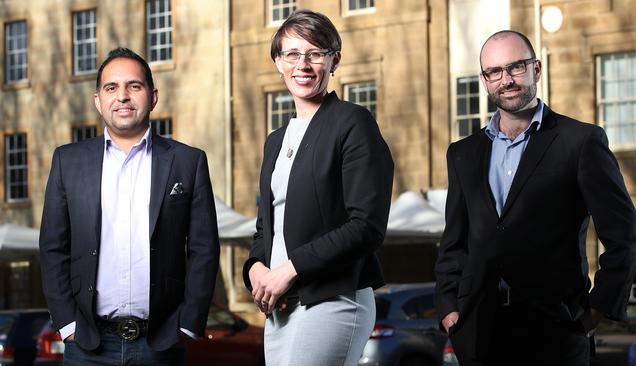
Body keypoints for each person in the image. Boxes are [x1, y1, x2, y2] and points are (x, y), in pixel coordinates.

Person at [435, 30, 636, 366]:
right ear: (485, 80)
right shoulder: (462, 154)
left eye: (516, 67)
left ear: (536, 69)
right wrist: (450, 310)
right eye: (495, 72)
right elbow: (454, 244)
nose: (506, 80)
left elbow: (626, 234)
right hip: (478, 333)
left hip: (555, 332)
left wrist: (596, 310)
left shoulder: (580, 142)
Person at [39, 47, 220, 365]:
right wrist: (67, 324)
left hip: (161, 343)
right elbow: (53, 248)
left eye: (134, 86)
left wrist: (189, 324)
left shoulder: (188, 162)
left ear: (153, 96)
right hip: (87, 346)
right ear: (98, 101)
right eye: (111, 87)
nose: (122, 96)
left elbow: (204, 249)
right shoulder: (68, 161)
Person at [241, 9, 394, 366]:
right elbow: (266, 227)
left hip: (334, 300)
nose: (303, 64)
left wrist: (288, 269)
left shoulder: (353, 123)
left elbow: (366, 226)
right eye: (293, 54)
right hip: (280, 307)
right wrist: (255, 270)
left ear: (334, 60)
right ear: (278, 62)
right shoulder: (275, 140)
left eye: (315, 54)